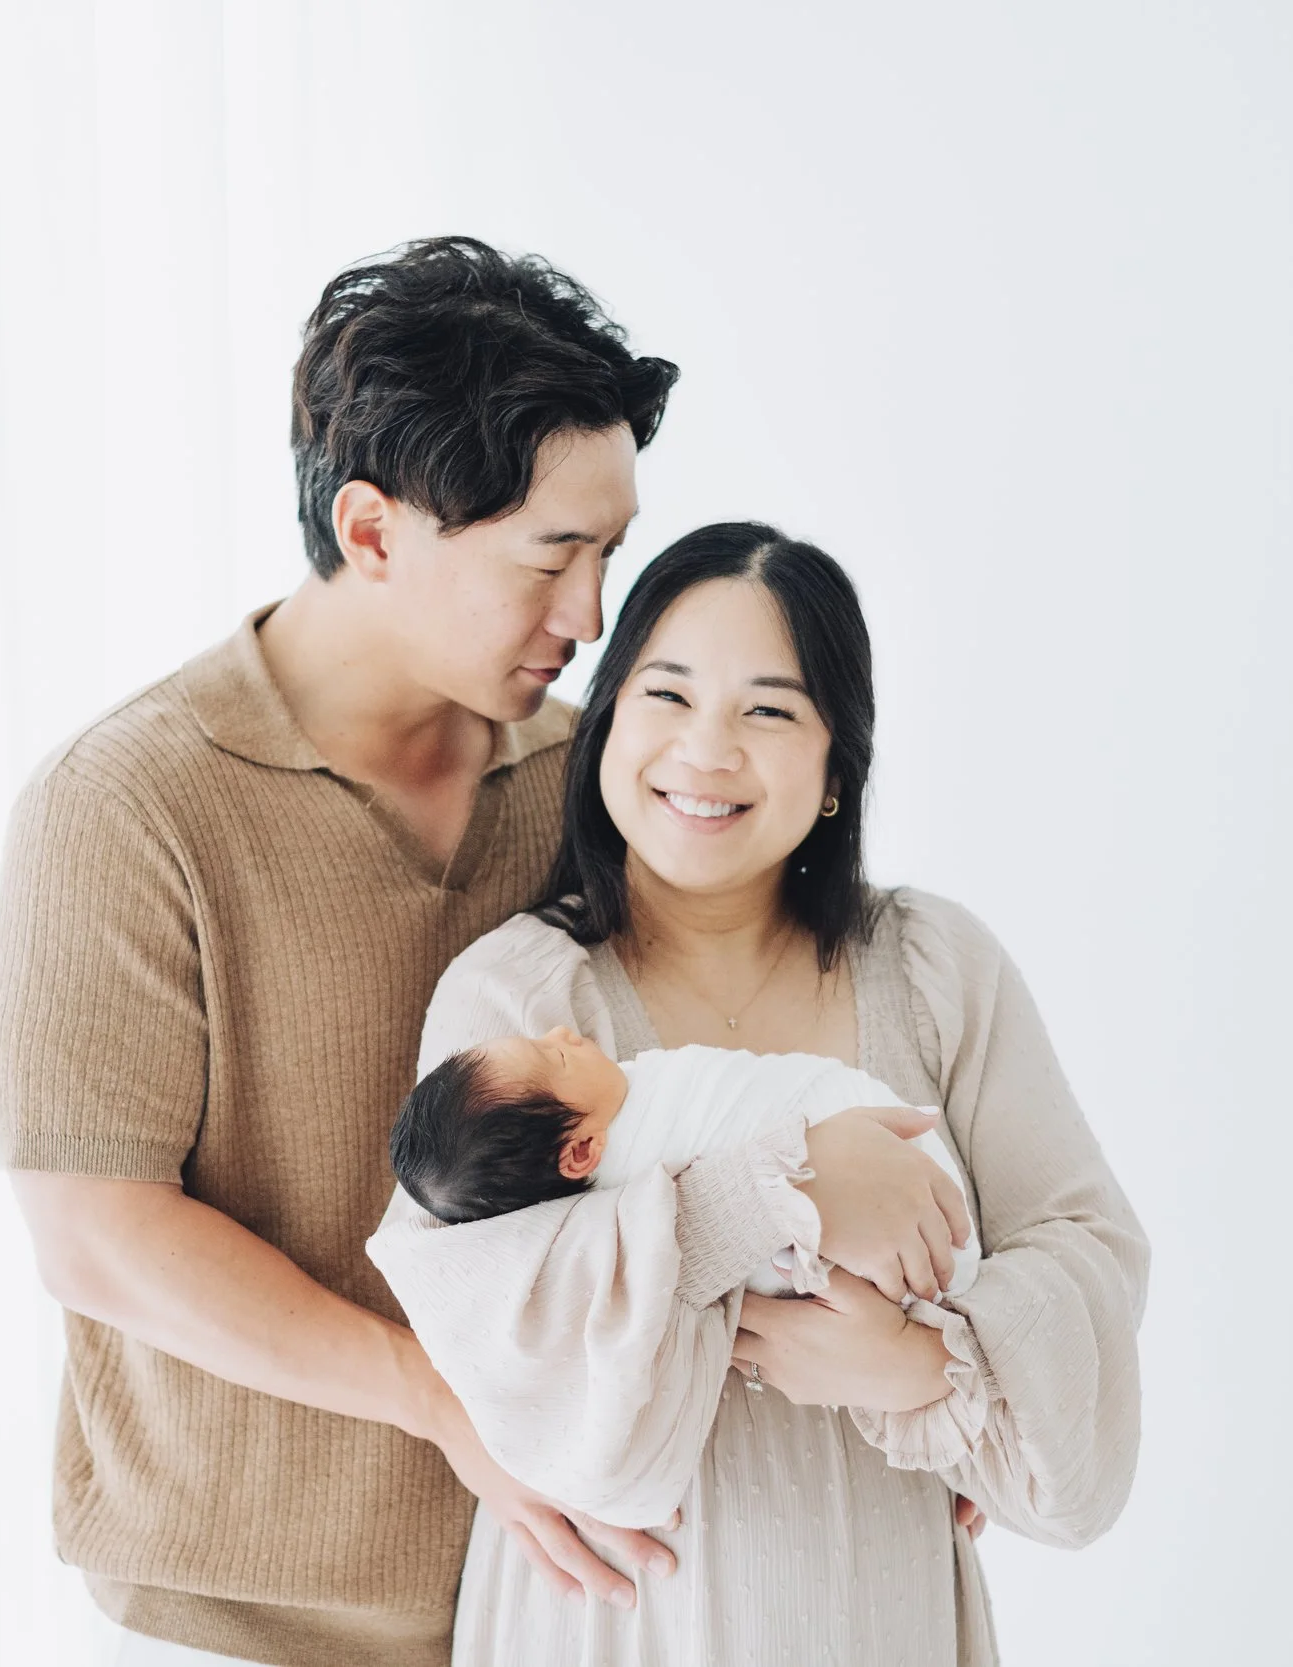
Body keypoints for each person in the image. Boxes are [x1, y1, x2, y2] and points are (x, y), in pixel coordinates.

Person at [0, 239, 964, 1667]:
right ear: (374, 533)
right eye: (550, 556)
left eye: (610, 553)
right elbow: (97, 1236)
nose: (592, 618)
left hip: (570, 1590)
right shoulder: (128, 803)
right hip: (248, 1599)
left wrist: (946, 1382)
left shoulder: (599, 782)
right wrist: (447, 1402)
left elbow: (735, 1072)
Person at [367, 523, 1150, 1665]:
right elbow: (481, 1315)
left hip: (876, 1608)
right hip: (612, 1624)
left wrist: (930, 1369)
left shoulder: (932, 966)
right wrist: (780, 1192)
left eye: (770, 710)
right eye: (665, 693)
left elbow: (1089, 1250)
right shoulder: (524, 996)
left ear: (838, 765)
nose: (707, 749)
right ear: (604, 726)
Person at [386, 1028, 983, 1301]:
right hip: (873, 1241)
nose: (563, 1032)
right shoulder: (643, 1179)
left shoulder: (621, 1102)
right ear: (582, 1153)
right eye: (553, 1057)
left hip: (879, 1155)